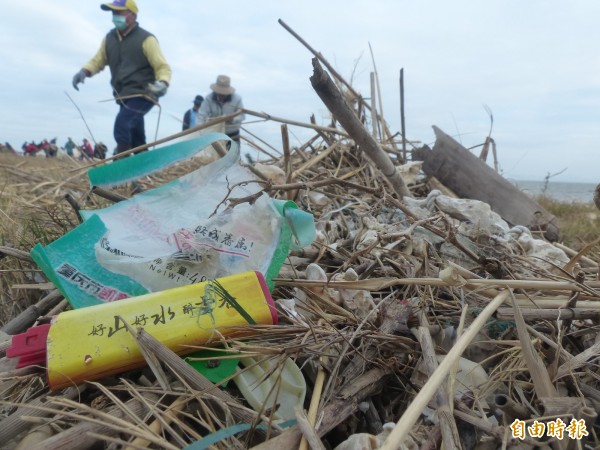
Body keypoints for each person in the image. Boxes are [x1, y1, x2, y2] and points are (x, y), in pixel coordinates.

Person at [71, 0, 172, 155]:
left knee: (122, 124)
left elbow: (162, 66)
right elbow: (98, 60)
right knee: (137, 137)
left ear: (132, 14)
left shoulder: (147, 39)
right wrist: (84, 72)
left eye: (119, 12)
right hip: (123, 95)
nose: (115, 16)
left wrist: (163, 83)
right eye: (113, 13)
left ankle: (122, 166)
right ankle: (144, 173)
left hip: (144, 93)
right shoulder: (109, 39)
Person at [198, 75, 245, 143]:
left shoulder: (237, 99)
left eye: (223, 93)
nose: (221, 95)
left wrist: (232, 119)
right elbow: (201, 116)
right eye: (219, 92)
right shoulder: (209, 99)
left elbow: (242, 116)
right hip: (214, 136)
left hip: (232, 135)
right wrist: (200, 131)